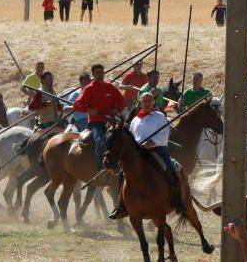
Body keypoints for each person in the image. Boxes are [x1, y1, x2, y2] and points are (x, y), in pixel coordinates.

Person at [107, 91, 182, 220]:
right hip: (138, 153)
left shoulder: (159, 117)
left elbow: (164, 135)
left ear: (153, 102)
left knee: (169, 168)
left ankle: (177, 200)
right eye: (144, 101)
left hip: (157, 150)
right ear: (140, 103)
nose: (147, 103)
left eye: (149, 101)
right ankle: (121, 206)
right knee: (122, 174)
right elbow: (130, 138)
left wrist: (150, 144)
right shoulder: (135, 120)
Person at [72, 63, 125, 170]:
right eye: (97, 72)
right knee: (100, 140)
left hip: (111, 122)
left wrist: (117, 110)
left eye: (101, 72)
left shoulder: (110, 87)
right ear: (93, 74)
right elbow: (76, 104)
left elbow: (121, 101)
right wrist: (89, 110)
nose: (100, 74)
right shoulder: (89, 89)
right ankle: (100, 168)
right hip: (96, 122)